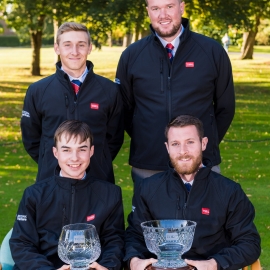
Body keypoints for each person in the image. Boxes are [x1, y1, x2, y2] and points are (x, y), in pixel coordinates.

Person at [115, 0, 235, 187]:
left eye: (169, 6)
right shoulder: (132, 55)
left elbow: (225, 108)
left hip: (201, 165)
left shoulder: (212, 52)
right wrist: (149, 136)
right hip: (149, 164)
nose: (163, 15)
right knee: (149, 217)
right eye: (156, 8)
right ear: (148, 11)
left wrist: (199, 145)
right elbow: (124, 110)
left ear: (182, 7)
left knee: (203, 217)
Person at [124, 115, 261, 270]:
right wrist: (134, 261)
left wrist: (214, 264)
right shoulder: (148, 188)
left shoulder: (229, 191)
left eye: (190, 142)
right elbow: (135, 235)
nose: (183, 151)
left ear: (203, 143)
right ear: (167, 147)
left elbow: (249, 243)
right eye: (175, 144)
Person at [10, 120, 125, 270]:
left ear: (91, 151)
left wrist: (107, 267)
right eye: (66, 150)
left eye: (82, 149)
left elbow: (115, 241)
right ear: (55, 152)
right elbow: (21, 244)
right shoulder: (34, 195)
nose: (74, 158)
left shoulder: (110, 194)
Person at [21, 22, 123, 183]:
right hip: (51, 181)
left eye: (81, 45)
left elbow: (114, 138)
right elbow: (31, 139)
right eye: (67, 45)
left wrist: (97, 161)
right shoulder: (38, 90)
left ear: (89, 48)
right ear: (57, 48)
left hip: (98, 181)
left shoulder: (109, 90)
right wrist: (55, 162)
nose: (74, 52)